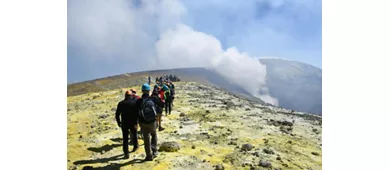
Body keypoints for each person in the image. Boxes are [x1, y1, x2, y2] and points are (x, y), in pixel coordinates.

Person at [136, 83, 164, 161]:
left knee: (146, 138)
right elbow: (162, 104)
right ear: (149, 91)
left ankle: (149, 156)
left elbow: (136, 112)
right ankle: (154, 151)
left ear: (142, 91)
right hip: (152, 121)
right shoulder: (153, 99)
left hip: (143, 122)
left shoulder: (139, 101)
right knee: (154, 135)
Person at [115, 90, 139, 159]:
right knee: (134, 135)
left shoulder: (121, 103)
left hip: (124, 123)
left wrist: (119, 122)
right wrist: (137, 121)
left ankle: (126, 153)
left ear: (125, 96)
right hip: (133, 122)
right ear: (131, 95)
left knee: (125, 139)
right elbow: (138, 112)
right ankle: (135, 146)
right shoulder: (134, 102)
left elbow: (117, 114)